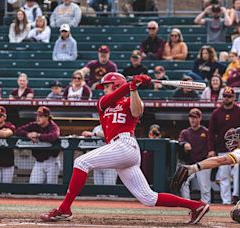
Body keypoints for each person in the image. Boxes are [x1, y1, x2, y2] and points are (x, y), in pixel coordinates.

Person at [40, 72, 210, 224]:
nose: (103, 89)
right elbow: (108, 99)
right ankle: (197, 206)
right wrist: (131, 85)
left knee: (81, 162)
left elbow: (137, 112)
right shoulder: (103, 104)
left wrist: (134, 89)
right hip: (118, 148)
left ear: (115, 85)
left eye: (106, 86)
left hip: (125, 144)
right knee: (148, 198)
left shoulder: (130, 100)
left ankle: (64, 209)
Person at [208, 86, 240, 205]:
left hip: (238, 150)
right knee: (223, 175)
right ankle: (226, 201)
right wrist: (211, 149)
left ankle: (236, 196)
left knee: (238, 173)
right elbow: (211, 132)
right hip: (222, 148)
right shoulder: (217, 113)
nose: (227, 98)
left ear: (234, 97)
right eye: (225, 96)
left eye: (229, 96)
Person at [15, 106, 61, 184]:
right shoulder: (34, 125)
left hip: (52, 161)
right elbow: (17, 130)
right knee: (33, 185)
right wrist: (27, 134)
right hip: (39, 161)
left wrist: (38, 135)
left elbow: (53, 136)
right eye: (37, 116)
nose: (38, 118)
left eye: (41, 116)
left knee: (50, 190)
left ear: (47, 117)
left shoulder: (53, 126)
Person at [179, 108, 211, 204]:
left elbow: (211, 145)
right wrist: (184, 144)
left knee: (204, 186)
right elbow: (180, 141)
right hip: (190, 163)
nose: (193, 120)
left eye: (195, 117)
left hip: (203, 163)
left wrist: (210, 152)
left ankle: (206, 204)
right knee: (184, 182)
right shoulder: (185, 132)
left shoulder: (206, 131)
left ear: (200, 118)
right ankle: (187, 202)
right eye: (191, 117)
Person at [81, 125, 118, 192]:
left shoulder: (114, 125)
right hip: (97, 164)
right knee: (98, 192)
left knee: (110, 191)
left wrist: (93, 134)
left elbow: (109, 134)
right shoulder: (97, 128)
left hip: (110, 164)